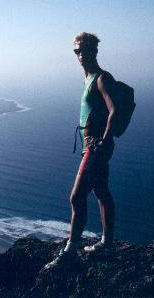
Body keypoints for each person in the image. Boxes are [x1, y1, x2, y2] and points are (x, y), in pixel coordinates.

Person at [44, 32, 117, 269]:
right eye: (76, 51)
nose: (80, 55)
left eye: (84, 50)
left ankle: (70, 251)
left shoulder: (101, 79)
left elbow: (114, 111)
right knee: (101, 192)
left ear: (94, 51)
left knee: (76, 197)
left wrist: (104, 141)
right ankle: (107, 243)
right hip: (92, 146)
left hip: (95, 147)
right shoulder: (87, 78)